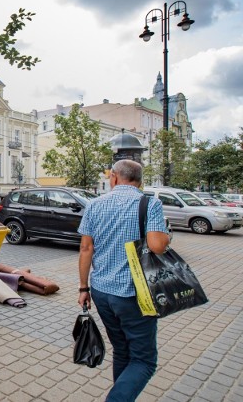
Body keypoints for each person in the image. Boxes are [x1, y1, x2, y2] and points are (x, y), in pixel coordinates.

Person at [77, 159, 169, 402]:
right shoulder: (150, 204)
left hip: (101, 292)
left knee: (122, 351)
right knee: (144, 360)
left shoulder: (95, 204)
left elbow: (86, 249)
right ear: (139, 181)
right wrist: (166, 235)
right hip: (134, 294)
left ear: (115, 177)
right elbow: (158, 246)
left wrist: (83, 287)